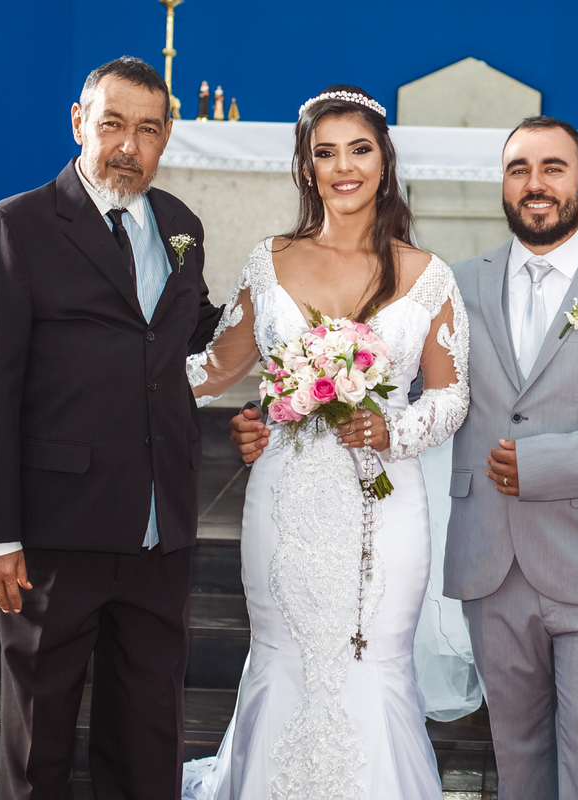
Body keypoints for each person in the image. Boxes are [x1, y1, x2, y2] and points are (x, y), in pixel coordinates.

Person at [234, 115, 578, 800]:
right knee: (518, 761)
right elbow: (402, 386)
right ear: (502, 186)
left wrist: (575, 447)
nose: (535, 185)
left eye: (553, 169)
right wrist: (286, 413)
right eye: (519, 170)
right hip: (491, 567)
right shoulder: (458, 283)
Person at [182, 85, 468, 799]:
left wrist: (393, 429)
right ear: (306, 168)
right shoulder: (269, 260)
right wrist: (114, 369)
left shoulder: (429, 276)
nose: (344, 167)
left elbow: (451, 395)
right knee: (284, 658)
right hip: (286, 497)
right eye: (325, 152)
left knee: (374, 664)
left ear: (384, 160)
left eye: (359, 150)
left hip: (384, 500)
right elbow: (213, 371)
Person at [0, 56, 222, 798]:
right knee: (40, 740)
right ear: (80, 122)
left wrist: (291, 322)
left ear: (168, 136)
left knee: (148, 737)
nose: (128, 147)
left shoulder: (181, 226)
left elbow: (193, 335)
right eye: (112, 124)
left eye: (147, 129)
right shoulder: (19, 226)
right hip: (54, 533)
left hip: (158, 529)